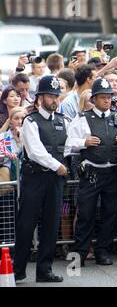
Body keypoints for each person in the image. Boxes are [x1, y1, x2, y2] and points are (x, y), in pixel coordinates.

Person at [65, 78, 117, 266]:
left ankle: (103, 251)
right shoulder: (83, 118)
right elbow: (68, 143)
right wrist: (84, 142)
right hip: (92, 172)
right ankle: (81, 252)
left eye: (109, 97)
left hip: (113, 172)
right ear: (94, 99)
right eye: (102, 97)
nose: (107, 100)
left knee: (110, 213)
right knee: (86, 214)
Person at [13, 76, 69, 283]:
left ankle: (44, 270)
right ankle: (18, 270)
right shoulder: (31, 121)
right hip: (35, 178)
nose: (54, 100)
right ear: (40, 98)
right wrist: (58, 165)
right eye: (50, 96)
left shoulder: (62, 121)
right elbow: (35, 152)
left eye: (56, 96)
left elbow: (70, 143)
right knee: (26, 225)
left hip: (54, 180)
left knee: (51, 224)